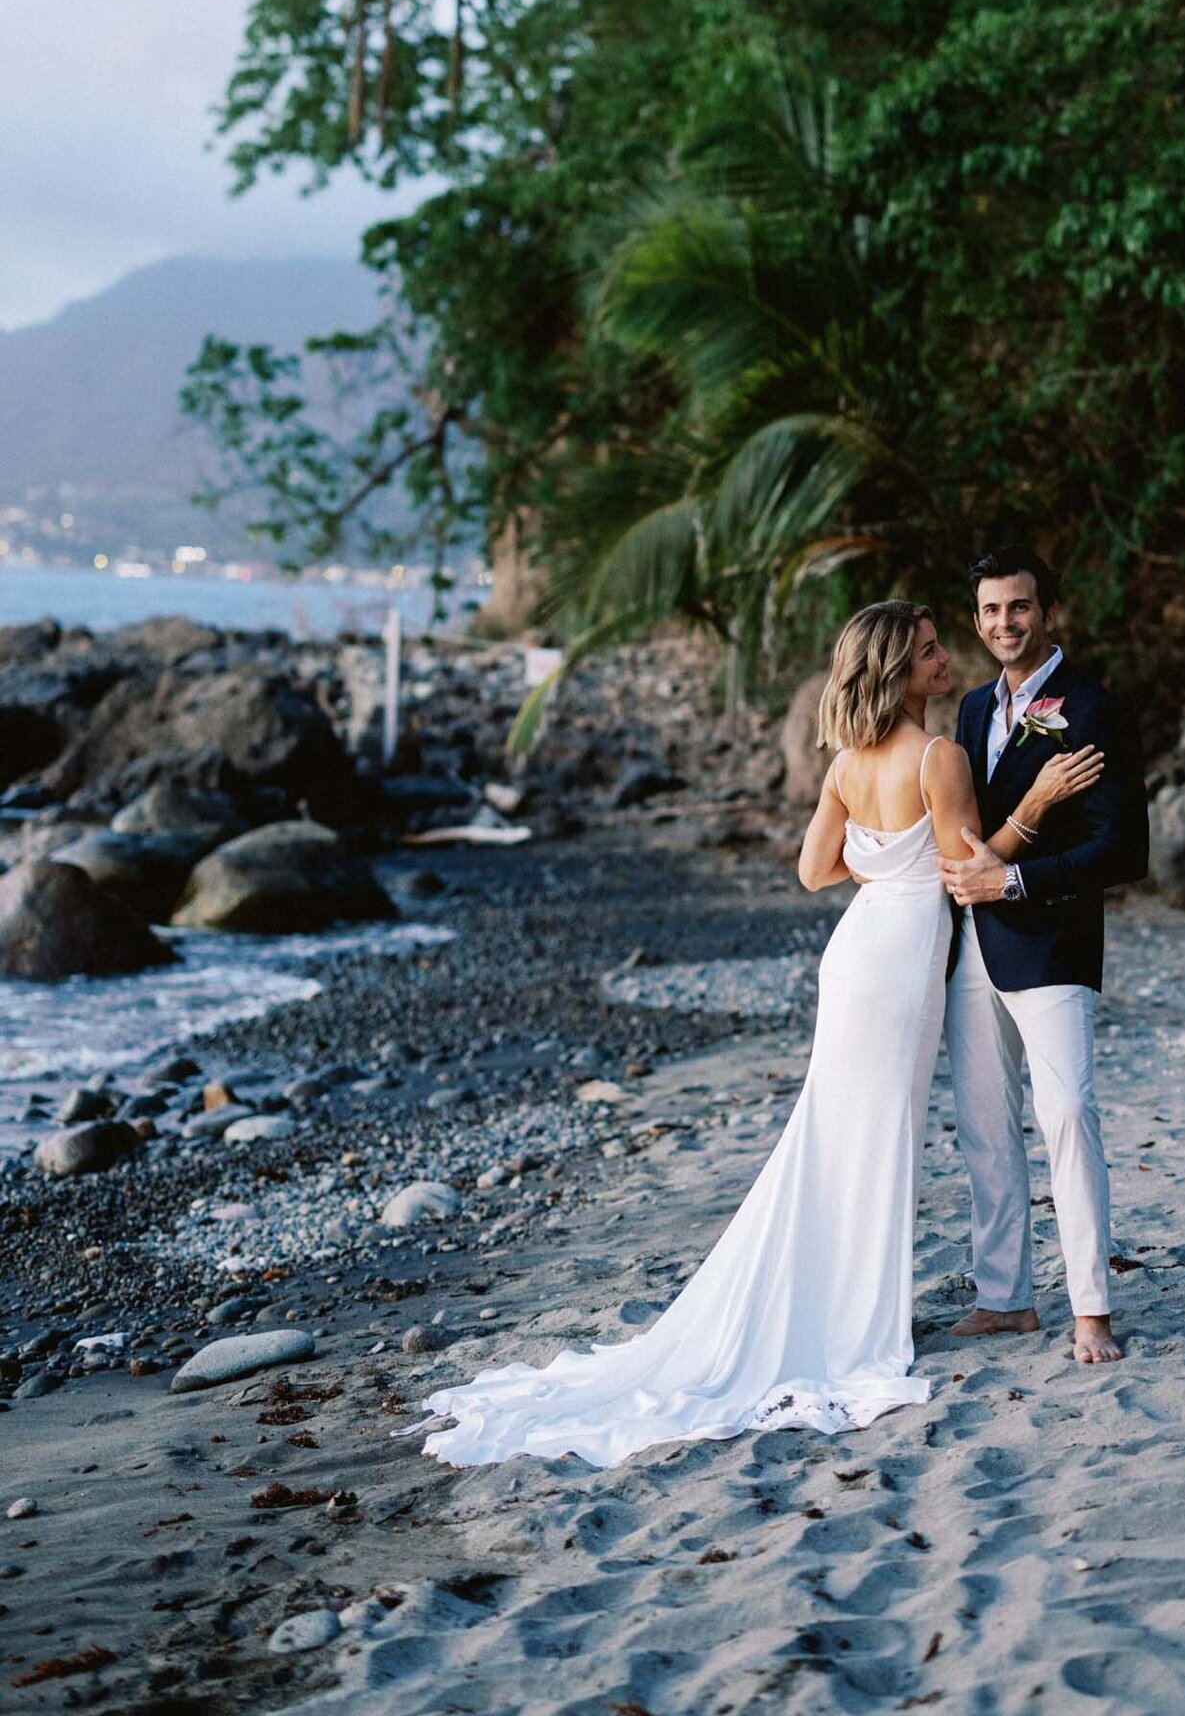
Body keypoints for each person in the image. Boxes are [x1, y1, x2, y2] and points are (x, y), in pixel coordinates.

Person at [412, 600, 1102, 1470]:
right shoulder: (939, 755)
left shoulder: (850, 763)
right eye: (928, 652)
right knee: (873, 1134)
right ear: (894, 670)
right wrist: (1034, 803)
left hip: (856, 951)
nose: (943, 661)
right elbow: (972, 872)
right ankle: (853, 1320)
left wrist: (887, 863)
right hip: (899, 962)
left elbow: (814, 870)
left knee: (838, 1130)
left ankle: (841, 1300)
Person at [938, 546, 1149, 1365]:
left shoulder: (1095, 708)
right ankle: (1006, 1299)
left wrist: (1017, 881)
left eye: (1018, 607)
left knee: (1067, 1114)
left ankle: (1090, 1307)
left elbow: (1123, 848)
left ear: (1048, 612)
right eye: (990, 611)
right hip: (971, 953)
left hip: (1054, 939)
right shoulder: (966, 711)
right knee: (986, 1127)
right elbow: (964, 834)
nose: (1004, 623)